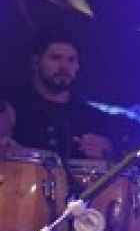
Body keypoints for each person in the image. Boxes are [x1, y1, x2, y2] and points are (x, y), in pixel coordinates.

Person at [0, 28, 123, 160]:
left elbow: (118, 160)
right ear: (36, 62)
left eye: (71, 60)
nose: (64, 67)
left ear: (78, 66)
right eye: (55, 58)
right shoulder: (10, 97)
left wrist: (107, 151)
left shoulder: (92, 118)